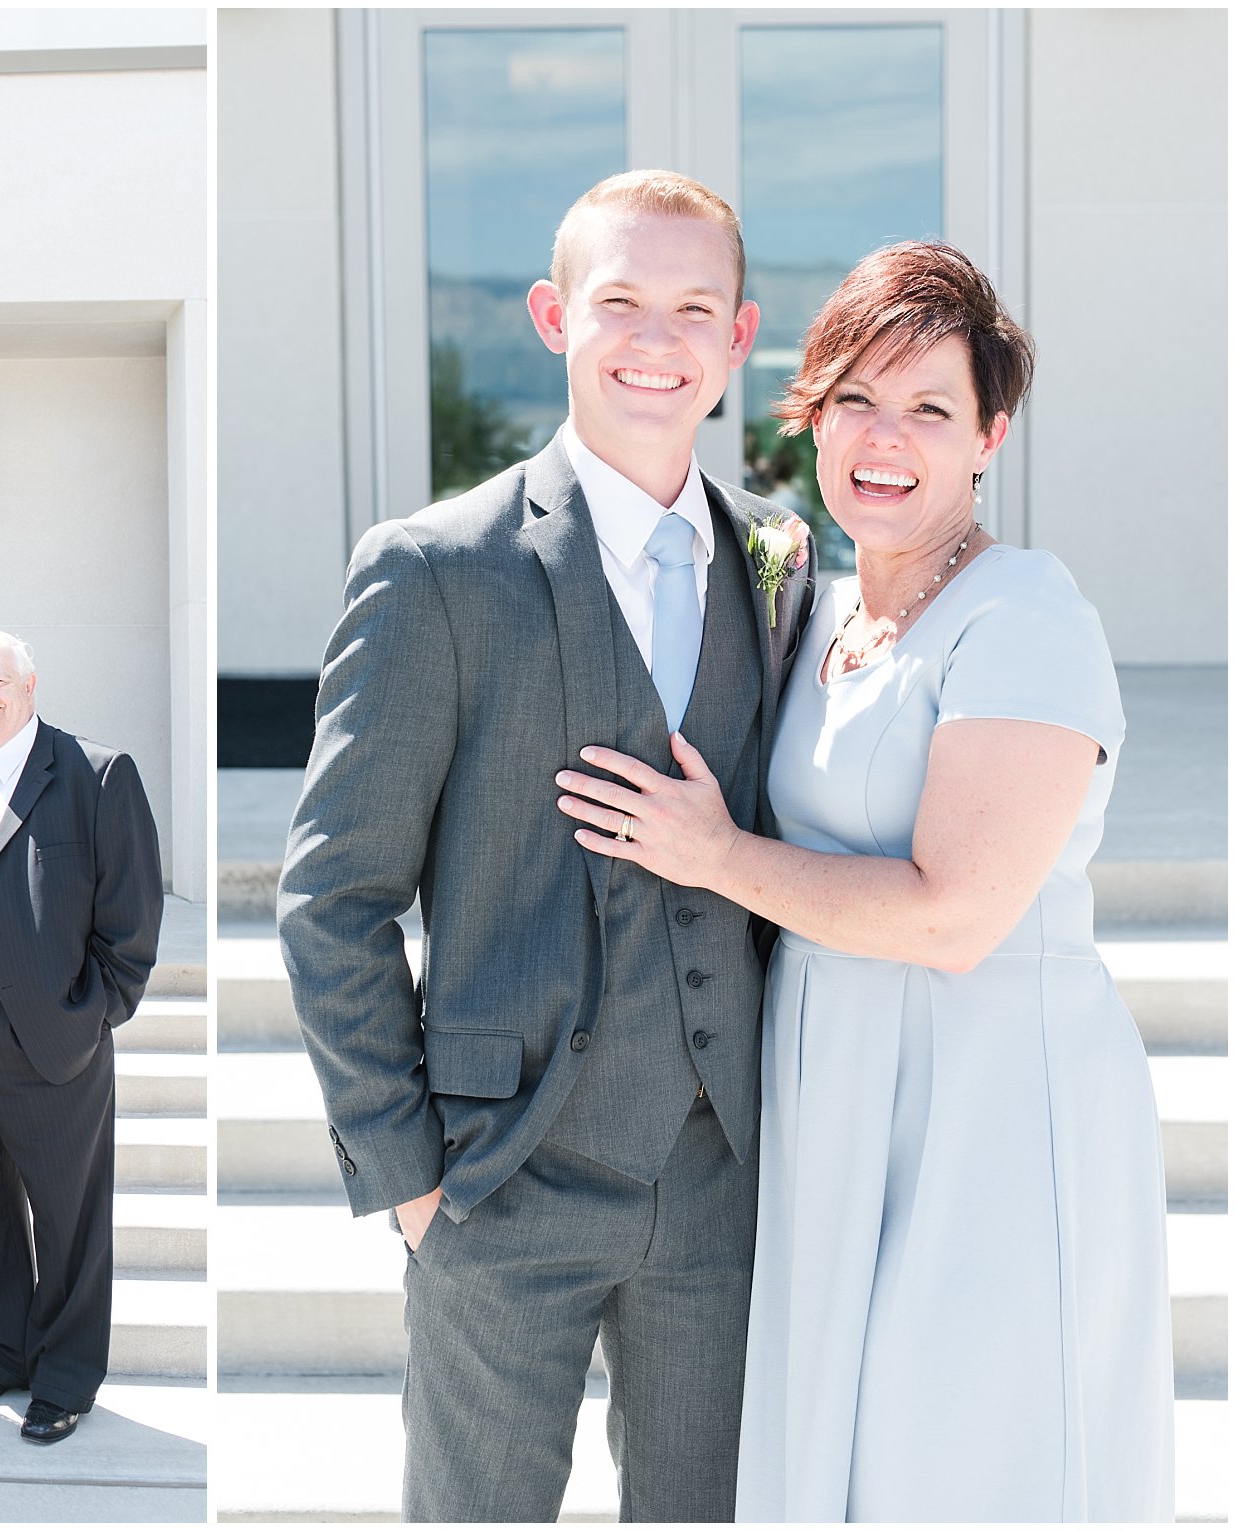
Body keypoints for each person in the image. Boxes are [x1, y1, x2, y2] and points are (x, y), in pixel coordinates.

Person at [555, 241, 1174, 1521]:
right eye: (854, 400)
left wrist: (714, 855)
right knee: (832, 1456)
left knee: (963, 1455)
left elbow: (954, 915)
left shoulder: (1025, 615)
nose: (883, 438)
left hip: (987, 1100)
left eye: (929, 408)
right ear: (813, 418)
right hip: (827, 1092)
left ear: (988, 435)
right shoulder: (814, 605)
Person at [278, 170, 816, 1522]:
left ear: (741, 336)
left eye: (694, 308)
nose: (657, 337)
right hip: (496, 1181)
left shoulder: (781, 564)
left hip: (718, 1187)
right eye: (620, 299)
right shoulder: (436, 569)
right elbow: (332, 897)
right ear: (551, 316)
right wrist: (414, 1184)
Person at [0, 629, 164, 1446]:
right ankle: (6, 1350)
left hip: (44, 1024)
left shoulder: (94, 772)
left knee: (66, 1210)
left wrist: (91, 1011)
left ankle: (65, 1376)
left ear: (29, 684)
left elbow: (131, 918)